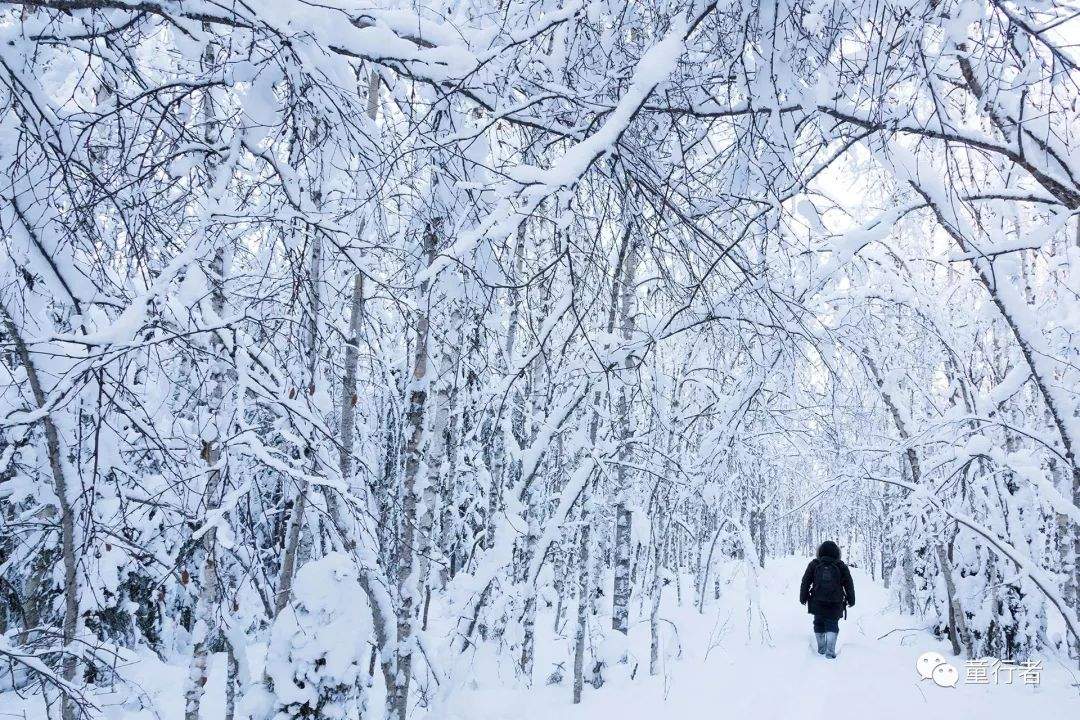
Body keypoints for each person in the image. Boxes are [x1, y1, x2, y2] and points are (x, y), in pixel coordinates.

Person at [799, 540, 855, 659]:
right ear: (836, 553)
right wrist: (851, 599)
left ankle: (821, 648)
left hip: (817, 601)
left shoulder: (814, 564)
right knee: (832, 624)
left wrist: (803, 596)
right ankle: (830, 651)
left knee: (818, 623)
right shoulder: (841, 566)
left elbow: (805, 581)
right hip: (835, 603)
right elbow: (849, 584)